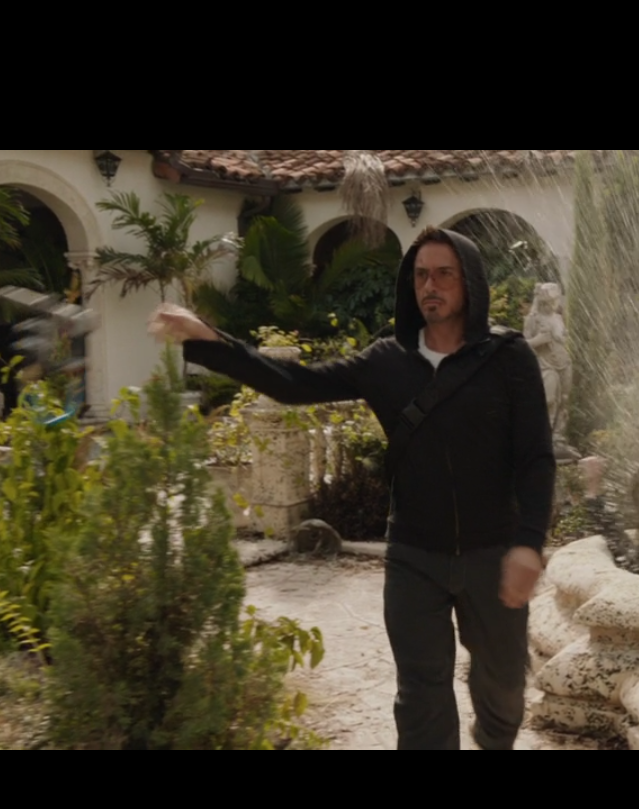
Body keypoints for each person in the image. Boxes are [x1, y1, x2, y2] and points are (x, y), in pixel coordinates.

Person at [150, 227, 556, 751]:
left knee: (503, 688)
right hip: (414, 554)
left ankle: (495, 739)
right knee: (421, 694)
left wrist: (528, 543)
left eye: (444, 274)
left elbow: (536, 457)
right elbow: (294, 384)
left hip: (493, 551)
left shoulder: (508, 357)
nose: (429, 286)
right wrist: (211, 341)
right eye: (420, 275)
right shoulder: (386, 361)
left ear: (470, 283)